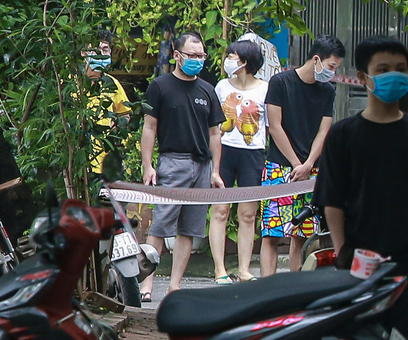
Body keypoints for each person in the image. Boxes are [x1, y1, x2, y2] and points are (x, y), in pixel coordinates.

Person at [313, 39, 408, 340]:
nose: (393, 76)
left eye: (400, 70)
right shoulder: (344, 135)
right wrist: (342, 250)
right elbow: (331, 199)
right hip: (360, 261)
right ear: (363, 77)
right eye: (383, 70)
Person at [140, 29, 223, 302]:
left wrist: (215, 171)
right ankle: (146, 285)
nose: (198, 60)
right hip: (172, 163)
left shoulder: (208, 90)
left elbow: (215, 134)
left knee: (190, 229)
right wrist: (148, 165)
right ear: (177, 55)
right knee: (160, 226)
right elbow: (149, 128)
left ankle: (175, 286)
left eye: (201, 56)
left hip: (201, 166)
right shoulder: (160, 86)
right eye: (192, 55)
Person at [260, 35, 341, 275]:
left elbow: (323, 130)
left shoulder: (328, 90)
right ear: (316, 59)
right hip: (279, 167)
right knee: (271, 234)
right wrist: (297, 164)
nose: (332, 73)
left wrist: (308, 165)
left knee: (303, 236)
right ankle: (267, 290)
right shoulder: (280, 82)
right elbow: (274, 126)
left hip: (313, 171)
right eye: (331, 67)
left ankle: (295, 290)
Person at [209, 38, 267, 282]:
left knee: (247, 214)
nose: (228, 60)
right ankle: (219, 269)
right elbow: (212, 126)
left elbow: (272, 124)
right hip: (224, 151)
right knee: (220, 211)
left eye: (232, 56)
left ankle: (244, 269)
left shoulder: (266, 88)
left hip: (253, 153)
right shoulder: (221, 86)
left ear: (244, 62)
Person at [83, 37, 131, 178]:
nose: (101, 54)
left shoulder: (112, 84)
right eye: (97, 50)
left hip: (103, 162)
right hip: (76, 163)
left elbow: (125, 114)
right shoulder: (69, 82)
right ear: (84, 53)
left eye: (105, 49)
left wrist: (118, 124)